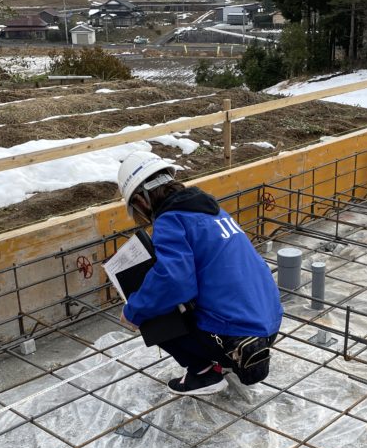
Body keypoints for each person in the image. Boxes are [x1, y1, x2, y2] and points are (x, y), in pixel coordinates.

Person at [116, 151, 283, 396]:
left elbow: (174, 281)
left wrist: (134, 310)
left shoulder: (171, 220)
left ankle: (203, 373)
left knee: (152, 309)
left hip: (238, 336)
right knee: (171, 291)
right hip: (269, 326)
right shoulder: (211, 210)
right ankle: (224, 354)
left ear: (141, 200)